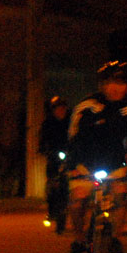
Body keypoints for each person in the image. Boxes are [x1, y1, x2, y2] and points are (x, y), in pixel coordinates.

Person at [66, 61, 127, 253]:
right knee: (78, 200)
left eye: (121, 83)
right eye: (111, 83)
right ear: (102, 85)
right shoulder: (87, 107)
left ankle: (115, 239)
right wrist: (72, 166)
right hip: (85, 165)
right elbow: (74, 138)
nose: (115, 88)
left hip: (116, 166)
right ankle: (78, 241)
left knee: (122, 195)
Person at [39, 96, 70, 233]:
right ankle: (51, 210)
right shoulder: (48, 123)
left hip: (69, 157)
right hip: (53, 157)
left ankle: (66, 207)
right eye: (57, 108)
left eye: (62, 108)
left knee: (69, 183)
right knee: (52, 184)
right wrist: (43, 149)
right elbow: (43, 139)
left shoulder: (70, 122)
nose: (60, 111)